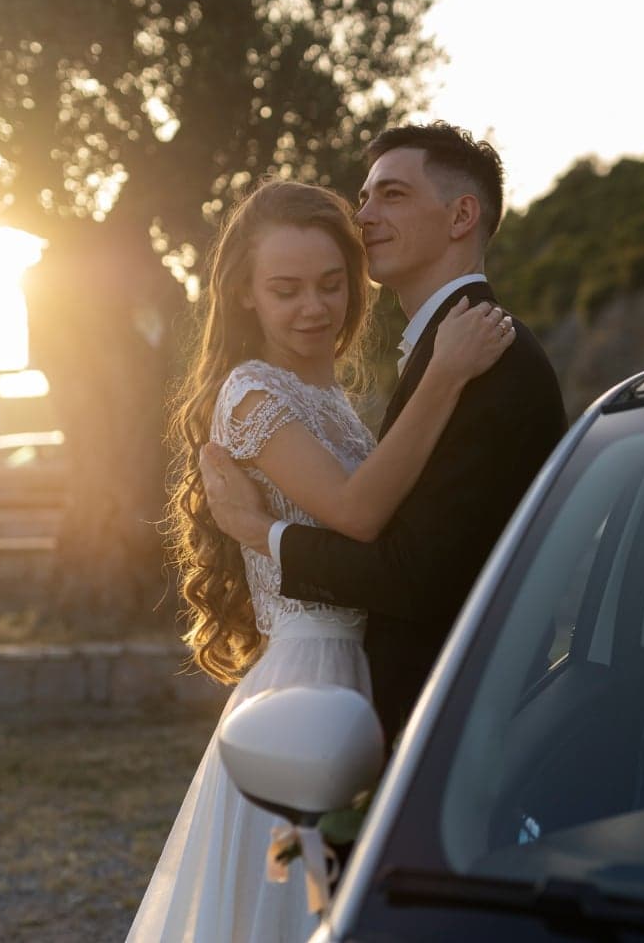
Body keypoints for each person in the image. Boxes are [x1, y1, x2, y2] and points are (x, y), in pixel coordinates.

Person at [128, 177, 515, 943]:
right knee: (303, 906)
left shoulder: (330, 396)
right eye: (287, 290)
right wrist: (445, 371)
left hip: (363, 674)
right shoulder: (249, 394)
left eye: (332, 284)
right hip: (310, 685)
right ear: (244, 295)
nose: (315, 308)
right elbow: (359, 512)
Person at [201, 121, 567, 743]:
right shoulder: (446, 353)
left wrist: (262, 533)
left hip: (448, 700)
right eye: (365, 196)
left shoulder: (483, 352)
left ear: (461, 217)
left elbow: (414, 572)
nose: (364, 215)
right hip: (337, 684)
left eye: (392, 194)